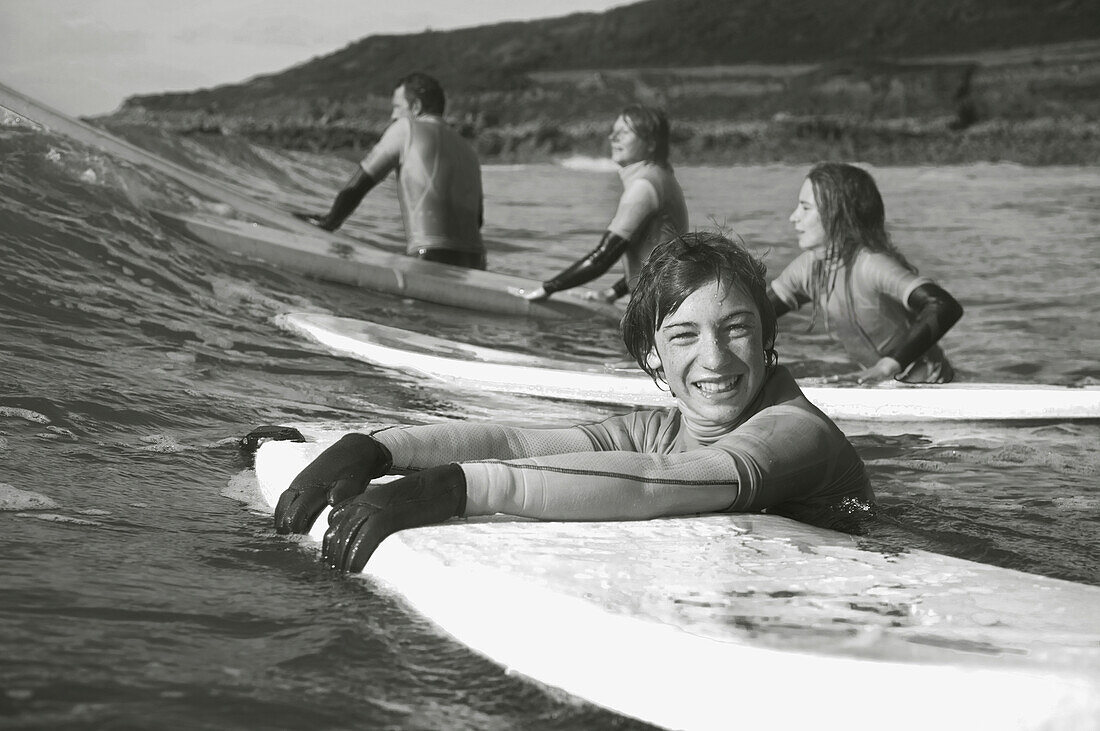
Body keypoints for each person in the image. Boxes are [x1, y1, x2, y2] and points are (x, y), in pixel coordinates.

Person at [269, 232, 873, 573]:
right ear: (653, 357)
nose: (715, 359)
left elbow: (658, 482)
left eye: (737, 327)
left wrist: (455, 489)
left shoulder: (796, 432)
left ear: (770, 338)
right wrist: (378, 448)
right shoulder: (664, 427)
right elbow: (520, 443)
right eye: (685, 335)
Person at [770, 162, 963, 384]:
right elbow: (755, 314)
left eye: (805, 208)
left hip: (931, 385)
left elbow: (943, 306)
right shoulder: (809, 269)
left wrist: (887, 366)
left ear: (837, 214)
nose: (794, 217)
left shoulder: (871, 265)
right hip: (878, 385)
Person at [298, 72, 487, 269]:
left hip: (431, 258)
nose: (393, 115)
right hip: (476, 264)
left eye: (397, 107)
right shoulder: (468, 151)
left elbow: (359, 184)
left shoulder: (406, 128)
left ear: (416, 107)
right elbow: (478, 220)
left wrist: (329, 222)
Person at [516, 105, 689, 303]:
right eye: (613, 131)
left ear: (650, 143)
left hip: (656, 305)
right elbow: (657, 257)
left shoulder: (644, 186)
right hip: (666, 298)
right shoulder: (662, 176)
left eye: (624, 132)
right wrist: (612, 293)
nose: (613, 138)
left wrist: (547, 289)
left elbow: (603, 257)